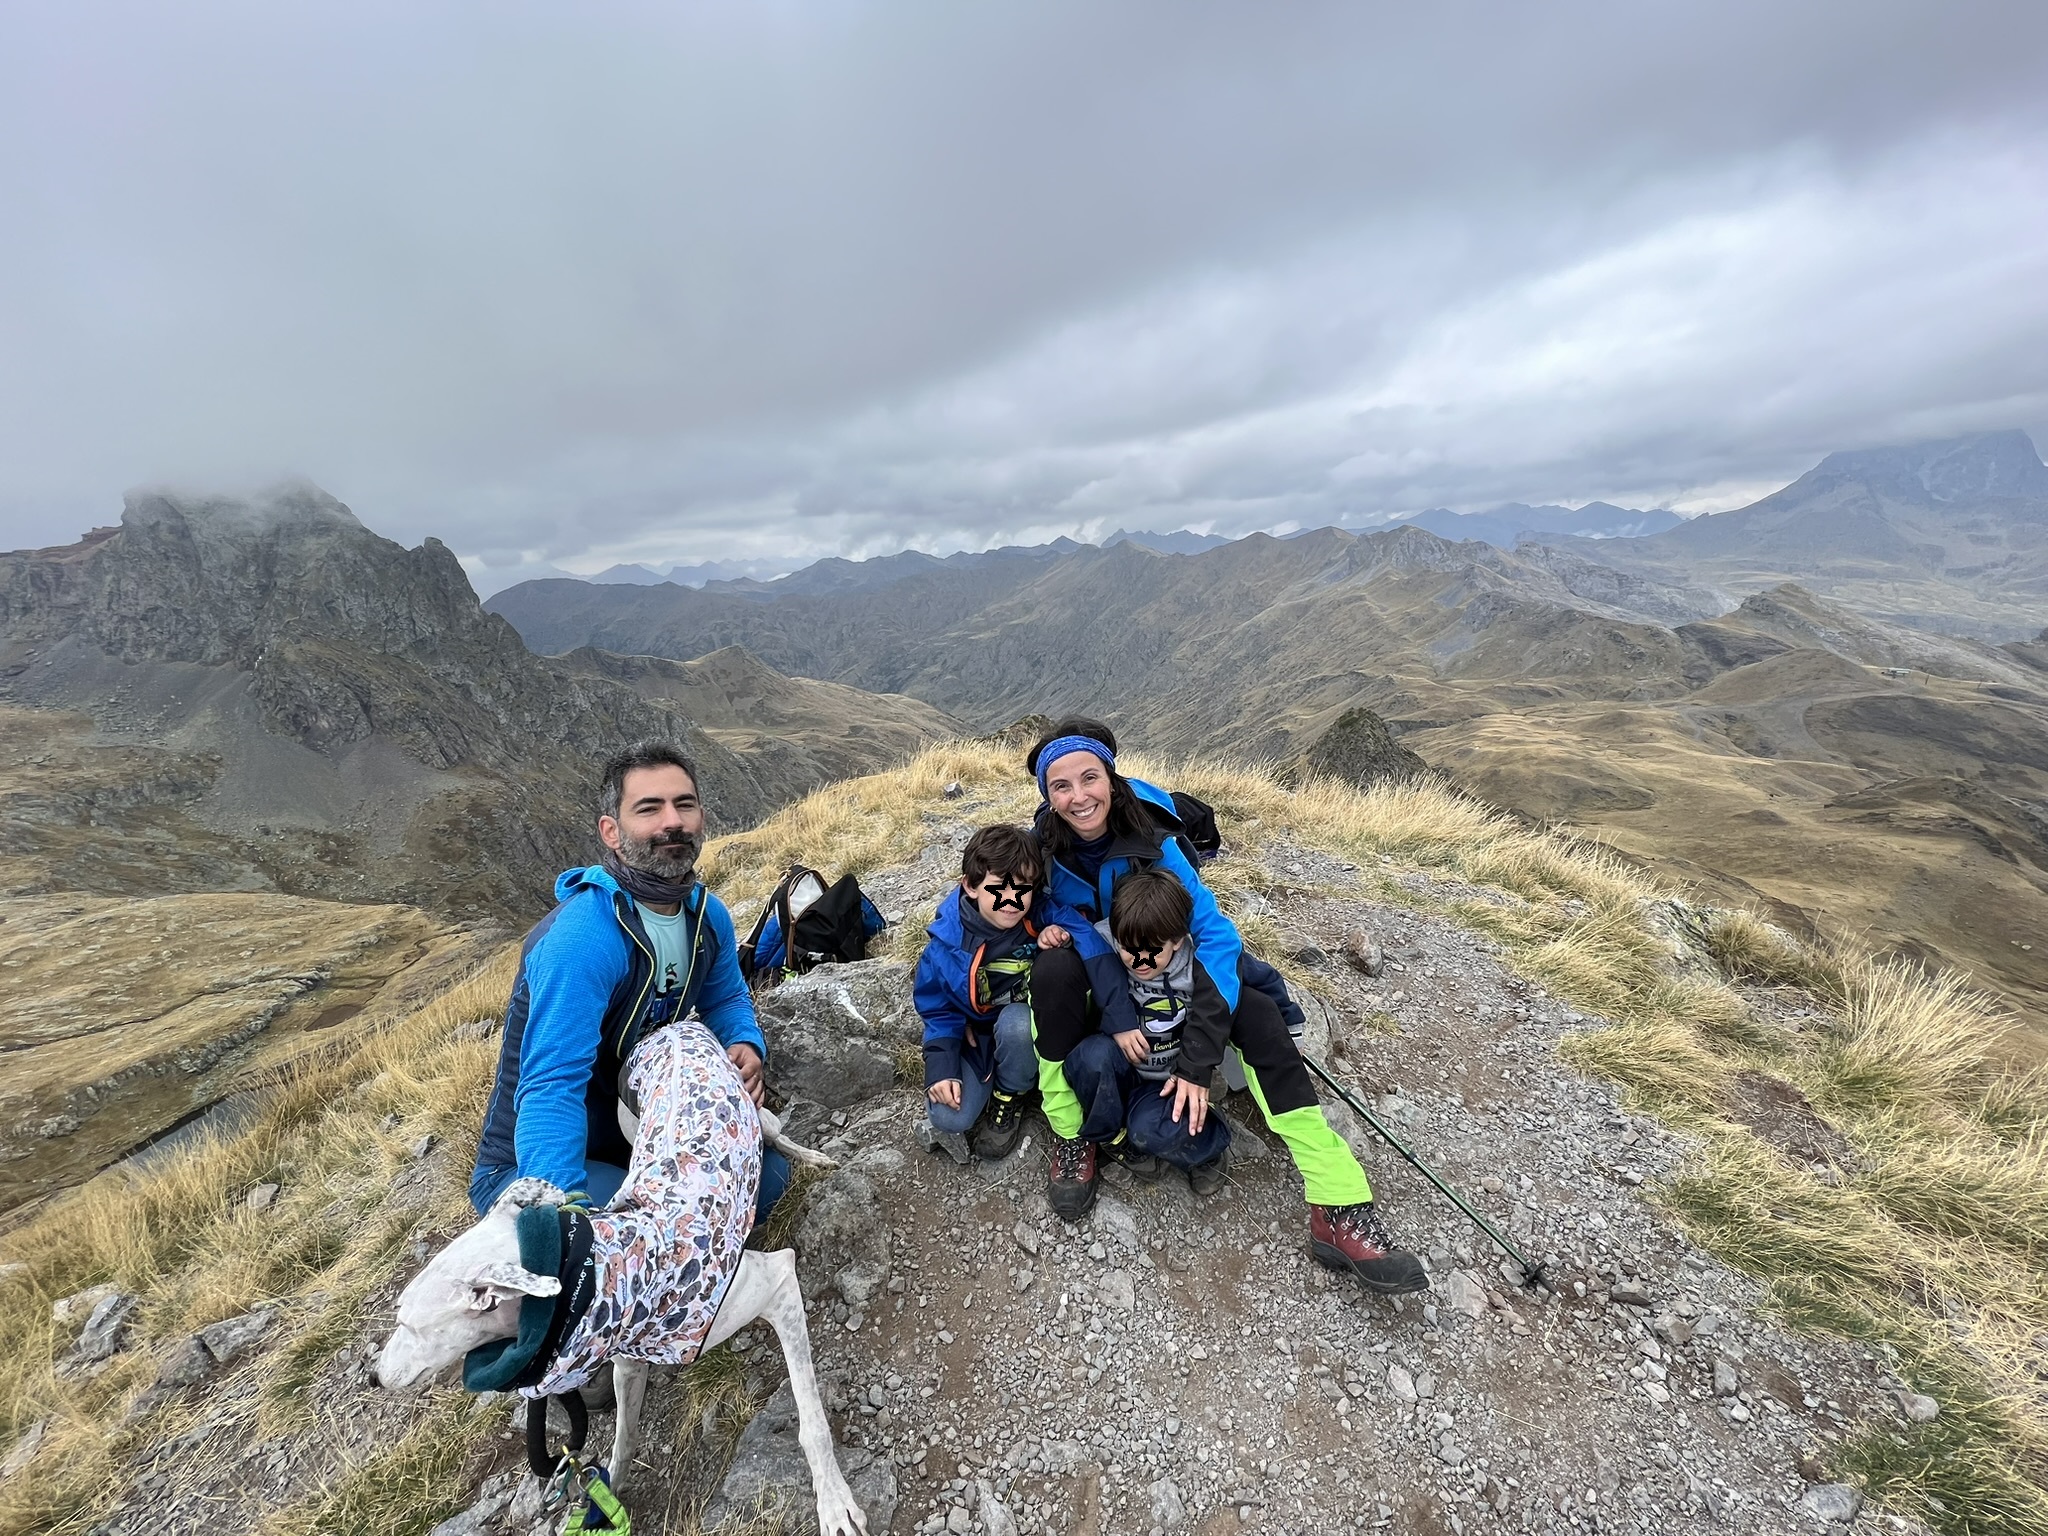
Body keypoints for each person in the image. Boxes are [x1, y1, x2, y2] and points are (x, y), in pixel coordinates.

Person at [1027, 722, 1427, 1295]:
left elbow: (1214, 936)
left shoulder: (1156, 839)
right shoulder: (1043, 851)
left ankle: (1337, 1202)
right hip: (1104, 989)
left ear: (1111, 779)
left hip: (1173, 977)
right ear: (1047, 795)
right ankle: (1072, 1134)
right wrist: (1109, 1003)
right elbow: (1030, 911)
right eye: (1060, 786)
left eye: (1090, 777)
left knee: (1259, 1014)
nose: (1078, 796)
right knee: (1052, 970)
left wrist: (1198, 1059)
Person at [469, 741, 790, 1225]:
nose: (672, 822)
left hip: (637, 1127)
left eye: (685, 804)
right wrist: (557, 1208)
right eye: (649, 809)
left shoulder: (706, 915)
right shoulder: (582, 939)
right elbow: (551, 1085)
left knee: (768, 1184)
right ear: (612, 832)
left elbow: (725, 998)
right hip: (534, 1163)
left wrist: (744, 1042)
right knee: (647, 1227)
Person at [912, 824, 1134, 1165]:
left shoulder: (1043, 914)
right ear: (970, 886)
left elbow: (1093, 948)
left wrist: (1120, 1017)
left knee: (1016, 1022)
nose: (1012, 899)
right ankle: (1009, 1078)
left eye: (1023, 888)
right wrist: (942, 1065)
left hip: (1034, 1026)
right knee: (948, 1116)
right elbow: (937, 1009)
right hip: (983, 1039)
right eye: (998, 886)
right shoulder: (946, 945)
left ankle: (1011, 1090)